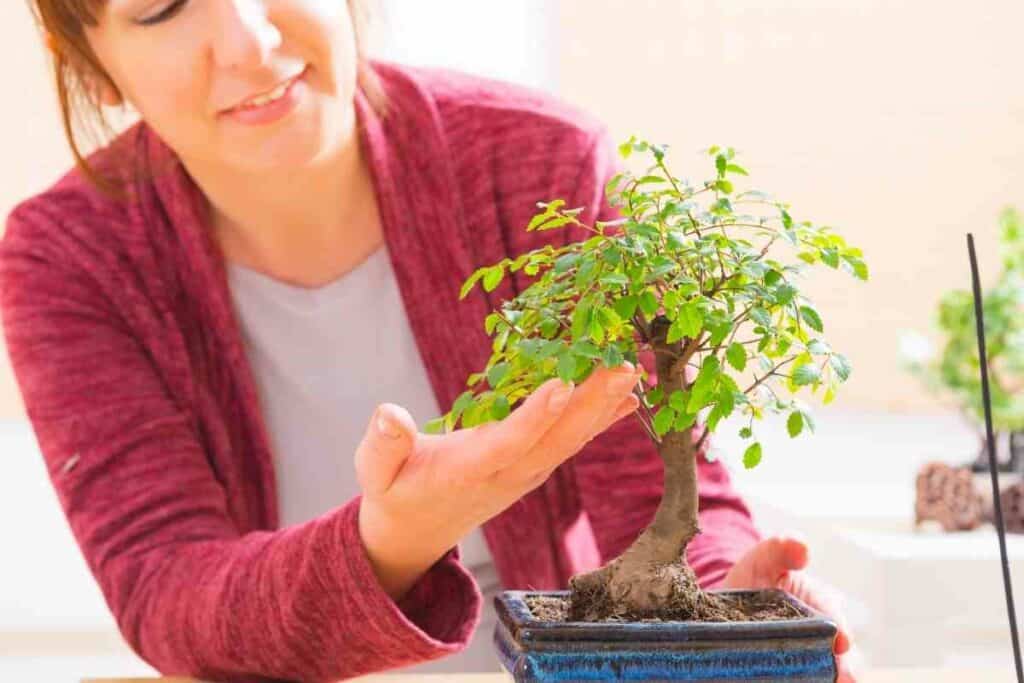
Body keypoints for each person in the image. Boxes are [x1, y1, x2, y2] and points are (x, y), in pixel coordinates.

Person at [1, 1, 856, 681]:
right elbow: (167, 593)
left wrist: (722, 606)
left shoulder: (543, 167)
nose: (250, 40)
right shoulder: (69, 259)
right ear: (92, 59)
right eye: (162, 8)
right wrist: (395, 538)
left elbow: (664, 502)